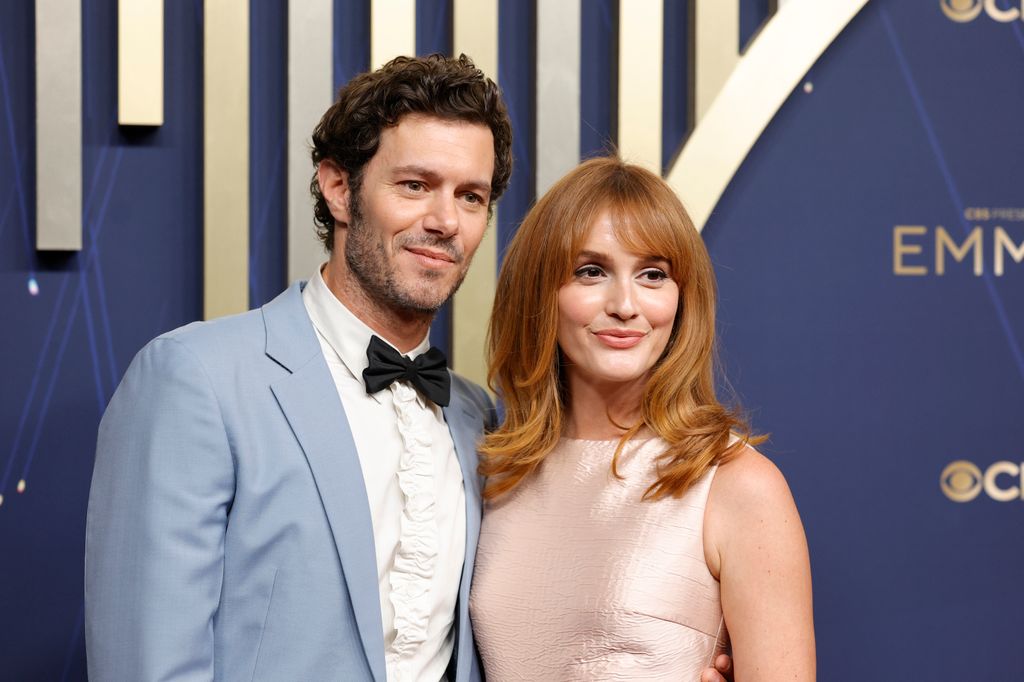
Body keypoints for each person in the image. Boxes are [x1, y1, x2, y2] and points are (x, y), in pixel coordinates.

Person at [85, 54, 509, 682]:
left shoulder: (480, 418)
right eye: (415, 185)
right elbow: (146, 663)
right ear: (339, 188)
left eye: (469, 196)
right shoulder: (195, 379)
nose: (445, 221)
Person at [470, 157, 815, 680]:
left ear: (682, 299)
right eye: (591, 271)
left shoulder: (738, 486)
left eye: (653, 275)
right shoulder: (493, 475)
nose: (626, 305)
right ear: (540, 293)